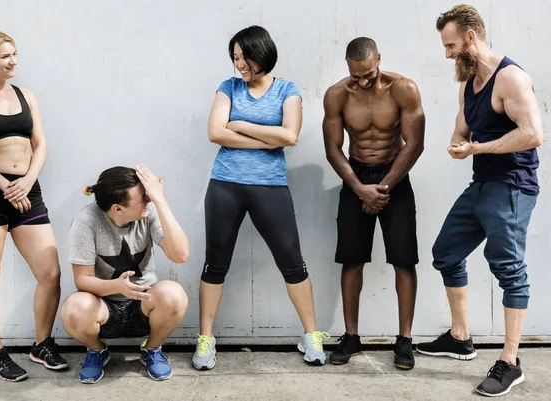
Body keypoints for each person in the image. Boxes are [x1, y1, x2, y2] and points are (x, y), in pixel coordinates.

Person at [415, 5, 543, 397]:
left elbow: (532, 134)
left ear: (471, 37)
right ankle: (460, 337)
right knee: (446, 253)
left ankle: (510, 361)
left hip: (512, 186)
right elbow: (462, 127)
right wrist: (458, 144)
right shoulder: (468, 83)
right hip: (483, 184)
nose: (448, 53)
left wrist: (478, 148)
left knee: (508, 269)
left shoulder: (512, 79)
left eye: (451, 44)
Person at [192, 25, 327, 370]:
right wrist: (269, 139)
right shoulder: (228, 87)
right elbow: (214, 132)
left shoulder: (287, 89)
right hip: (224, 185)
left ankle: (311, 335)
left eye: (243, 57)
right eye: (235, 58)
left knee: (292, 262)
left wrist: (238, 124)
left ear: (261, 53)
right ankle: (206, 339)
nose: (239, 64)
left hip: (270, 187)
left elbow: (290, 134)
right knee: (215, 262)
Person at [0, 28, 68, 382]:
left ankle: (42, 345)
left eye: (14, 54)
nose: (13, 61)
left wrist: (28, 182)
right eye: (5, 56)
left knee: (50, 273)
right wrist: (7, 185)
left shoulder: (27, 96)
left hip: (26, 191)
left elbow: (42, 144)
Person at [323, 37, 425, 370]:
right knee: (351, 259)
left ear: (379, 59)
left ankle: (405, 340)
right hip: (355, 176)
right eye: (356, 74)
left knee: (403, 259)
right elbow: (334, 149)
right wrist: (359, 188)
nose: (362, 81)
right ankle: (351, 336)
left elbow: (414, 145)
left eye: (368, 74)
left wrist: (380, 189)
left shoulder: (403, 89)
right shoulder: (338, 94)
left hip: (394, 176)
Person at [61, 165, 189, 384]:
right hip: (104, 309)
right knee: (74, 308)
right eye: (144, 198)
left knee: (174, 294)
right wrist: (117, 287)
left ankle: (152, 349)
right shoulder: (86, 221)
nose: (148, 199)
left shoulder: (149, 211)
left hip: (144, 305)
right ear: (118, 209)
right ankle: (97, 351)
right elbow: (82, 280)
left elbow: (180, 254)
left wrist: (161, 201)